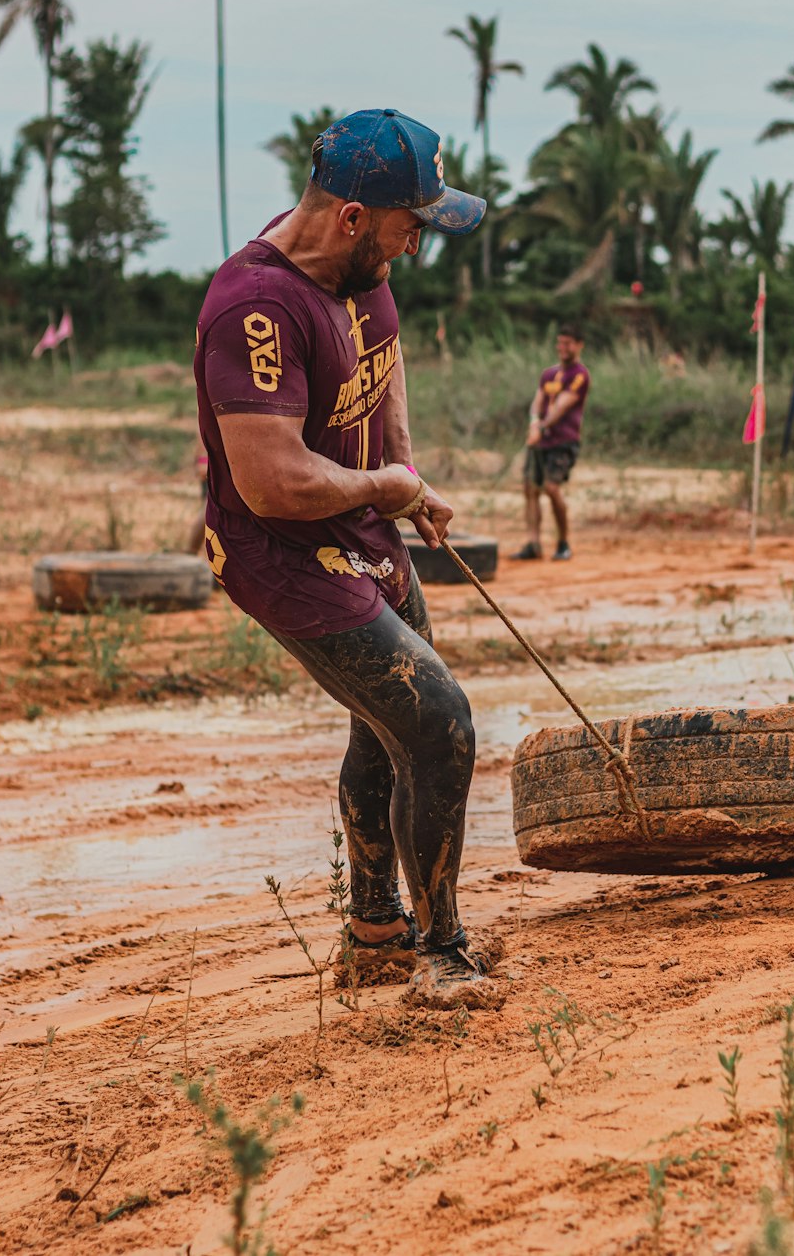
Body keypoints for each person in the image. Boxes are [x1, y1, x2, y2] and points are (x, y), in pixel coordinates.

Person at [193, 107, 501, 1010]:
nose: (416, 246)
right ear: (355, 216)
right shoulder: (254, 306)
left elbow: (385, 364)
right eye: (412, 226)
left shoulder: (362, 274)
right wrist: (386, 490)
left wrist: (406, 473)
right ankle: (440, 953)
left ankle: (373, 932)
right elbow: (273, 482)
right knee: (438, 721)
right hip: (279, 552)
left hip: (362, 528)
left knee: (388, 722)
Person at [512, 326, 590, 562]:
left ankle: (563, 542)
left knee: (552, 488)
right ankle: (533, 543)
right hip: (540, 441)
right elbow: (538, 402)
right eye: (560, 343)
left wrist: (543, 428)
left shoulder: (579, 375)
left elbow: (562, 405)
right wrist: (535, 423)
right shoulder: (548, 374)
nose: (563, 348)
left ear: (579, 345)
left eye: (568, 343)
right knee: (530, 488)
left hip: (562, 441)